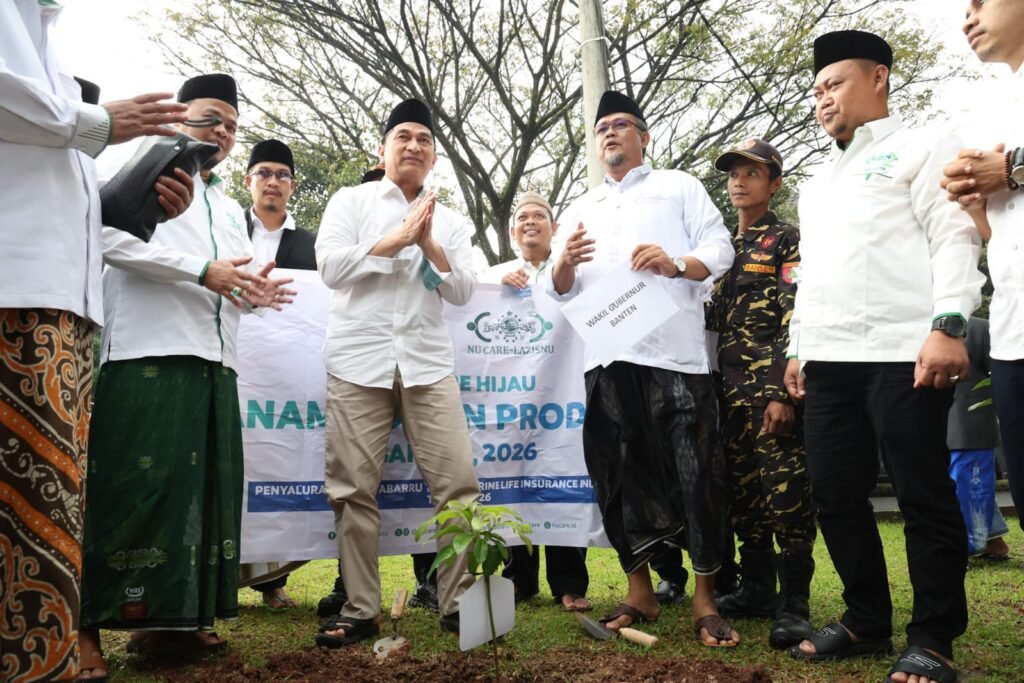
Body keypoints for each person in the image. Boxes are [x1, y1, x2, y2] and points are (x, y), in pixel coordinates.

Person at [78, 73, 295, 679]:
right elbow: (104, 238)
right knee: (128, 493)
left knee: (197, 501)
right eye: (209, 117)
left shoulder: (227, 205)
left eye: (230, 124)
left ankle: (169, 627)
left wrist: (252, 290)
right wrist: (201, 270)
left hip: (215, 361)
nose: (220, 132)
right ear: (177, 117)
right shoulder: (141, 163)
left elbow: (226, 276)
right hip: (147, 352)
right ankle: (85, 625)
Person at [1, 3, 195, 680]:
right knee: (21, 507)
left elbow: (68, 195)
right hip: (16, 294)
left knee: (51, 502)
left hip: (65, 304)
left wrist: (141, 203)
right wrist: (101, 122)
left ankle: (41, 658)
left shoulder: (46, 41)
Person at [783, 31, 984, 683]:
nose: (822, 97)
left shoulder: (923, 143)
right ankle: (866, 615)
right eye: (816, 88)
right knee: (835, 492)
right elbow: (813, 271)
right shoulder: (818, 179)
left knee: (922, 492)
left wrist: (948, 323)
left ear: (879, 77)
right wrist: (797, 347)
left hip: (907, 353)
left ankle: (934, 636)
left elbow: (952, 234)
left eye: (834, 82)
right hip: (829, 361)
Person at [545, 90, 738, 646]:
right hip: (606, 360)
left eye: (622, 124)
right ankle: (640, 592)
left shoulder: (678, 186)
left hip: (673, 354)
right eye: (602, 126)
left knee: (696, 472)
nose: (610, 133)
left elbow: (719, 247)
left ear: (644, 136)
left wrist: (676, 263)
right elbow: (559, 290)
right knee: (616, 476)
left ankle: (705, 599)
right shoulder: (582, 208)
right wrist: (561, 262)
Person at [314, 98, 480, 647]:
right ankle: (361, 608)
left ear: (434, 158)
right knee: (352, 489)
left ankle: (458, 606)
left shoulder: (450, 221)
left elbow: (461, 291)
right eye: (403, 136)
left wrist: (429, 242)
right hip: (358, 363)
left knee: (457, 486)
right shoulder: (350, 200)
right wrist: (395, 241)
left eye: (424, 140)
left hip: (428, 365)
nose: (413, 145)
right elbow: (331, 268)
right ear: (382, 149)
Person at [707, 138, 816, 649]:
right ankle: (757, 589)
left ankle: (795, 602)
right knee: (744, 498)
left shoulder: (786, 241)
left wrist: (780, 392)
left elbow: (796, 315)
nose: (739, 181)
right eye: (733, 172)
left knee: (786, 495)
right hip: (726, 399)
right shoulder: (721, 251)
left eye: (753, 173)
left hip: (768, 394)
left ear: (774, 184)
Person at [480, 191, 592, 613]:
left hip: (562, 399)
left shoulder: (576, 273)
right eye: (523, 217)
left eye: (539, 217)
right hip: (511, 402)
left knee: (564, 474)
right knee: (514, 481)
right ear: (512, 232)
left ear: (554, 228)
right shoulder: (493, 275)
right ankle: (517, 581)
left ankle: (569, 584)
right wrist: (493, 288)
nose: (531, 222)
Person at [941, 0, 1024, 538]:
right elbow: (1004, 243)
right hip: (1014, 336)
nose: (968, 17)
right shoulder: (995, 108)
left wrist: (1015, 168)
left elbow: (1013, 172)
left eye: (981, 1)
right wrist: (974, 205)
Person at [238, 139, 315, 609]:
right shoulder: (227, 229)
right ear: (249, 181)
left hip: (286, 377)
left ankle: (272, 583)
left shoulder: (309, 243)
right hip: (233, 365)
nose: (273, 182)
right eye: (264, 172)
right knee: (236, 470)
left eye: (282, 175)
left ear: (291, 186)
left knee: (280, 465)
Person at [947, 317, 1010, 561]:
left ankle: (969, 544)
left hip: (968, 425)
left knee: (970, 486)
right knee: (968, 486)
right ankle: (992, 541)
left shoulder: (978, 328)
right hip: (946, 424)